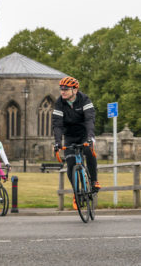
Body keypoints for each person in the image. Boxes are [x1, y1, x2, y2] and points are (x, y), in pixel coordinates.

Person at [53, 76, 100, 210]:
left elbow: (90, 119)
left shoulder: (84, 99)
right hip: (69, 136)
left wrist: (91, 137)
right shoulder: (59, 103)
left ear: (75, 89)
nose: (63, 92)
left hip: (85, 133)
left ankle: (94, 180)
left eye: (66, 89)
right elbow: (57, 124)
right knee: (70, 164)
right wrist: (57, 142)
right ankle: (76, 192)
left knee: (88, 151)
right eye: (61, 89)